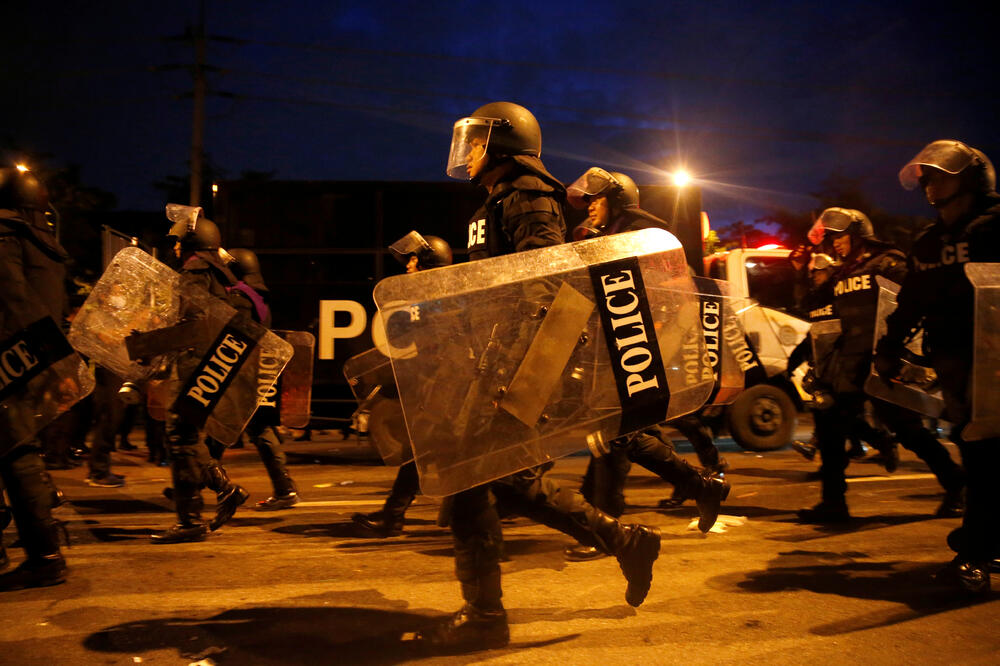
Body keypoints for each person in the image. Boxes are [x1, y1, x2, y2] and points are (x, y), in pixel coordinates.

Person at [416, 103, 662, 651]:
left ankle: (485, 616)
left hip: (515, 362)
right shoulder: (499, 197)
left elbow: (541, 280)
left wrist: (510, 365)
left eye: (477, 143)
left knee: (471, 481)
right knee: (504, 479)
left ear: (503, 143)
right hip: (497, 357)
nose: (470, 153)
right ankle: (623, 540)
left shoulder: (528, 193)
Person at [561, 167, 730, 561]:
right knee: (620, 436)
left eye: (597, 200)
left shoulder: (640, 237)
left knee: (614, 437)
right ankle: (702, 488)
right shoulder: (613, 237)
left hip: (636, 351)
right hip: (619, 350)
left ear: (617, 199)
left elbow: (668, 297)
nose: (590, 209)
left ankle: (604, 528)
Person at [876, 139, 1000, 594]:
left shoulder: (997, 226)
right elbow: (911, 302)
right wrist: (889, 347)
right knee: (978, 450)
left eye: (939, 174)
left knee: (987, 454)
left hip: (998, 360)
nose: (928, 183)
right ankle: (986, 544)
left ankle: (974, 555)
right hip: (956, 362)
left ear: (969, 177)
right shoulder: (929, 242)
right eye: (925, 176)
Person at [797, 207, 965, 524]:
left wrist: (911, 360)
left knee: (910, 432)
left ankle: (958, 487)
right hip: (847, 367)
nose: (835, 245)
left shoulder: (889, 263)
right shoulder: (840, 273)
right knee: (831, 431)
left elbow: (914, 305)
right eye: (831, 240)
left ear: (860, 234)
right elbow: (817, 311)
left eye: (841, 238)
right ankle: (833, 504)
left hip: (882, 364)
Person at [151, 211, 248, 543]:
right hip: (210, 371)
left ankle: (198, 513)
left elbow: (193, 328)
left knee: (180, 439)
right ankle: (215, 497)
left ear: (191, 243)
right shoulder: (217, 277)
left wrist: (146, 343)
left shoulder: (194, 273)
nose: (174, 247)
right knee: (187, 439)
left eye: (178, 241)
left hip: (194, 369)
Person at [352, 231, 453, 536]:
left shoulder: (436, 302)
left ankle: (394, 515)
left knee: (426, 454)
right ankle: (393, 514)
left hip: (443, 393)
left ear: (427, 263)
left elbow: (430, 353)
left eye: (414, 259)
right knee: (420, 454)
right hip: (435, 392)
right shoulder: (426, 300)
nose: (408, 265)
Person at [0, 166, 69, 588]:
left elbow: (13, 298)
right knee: (16, 451)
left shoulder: (7, 238)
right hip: (35, 359)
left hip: (10, 359)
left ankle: (44, 555)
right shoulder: (46, 246)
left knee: (16, 454)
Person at [786, 253, 898, 469]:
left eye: (819, 272)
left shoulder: (842, 297)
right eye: (813, 273)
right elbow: (814, 334)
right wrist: (794, 361)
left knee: (836, 414)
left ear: (829, 271)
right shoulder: (817, 299)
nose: (815, 277)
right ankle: (872, 447)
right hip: (826, 365)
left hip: (846, 365)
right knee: (837, 416)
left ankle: (835, 469)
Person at [227, 247, 300, 512]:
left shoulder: (238, 298)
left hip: (239, 374)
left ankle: (205, 483)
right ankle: (284, 489)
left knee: (211, 429)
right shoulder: (257, 296)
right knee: (260, 430)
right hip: (256, 371)